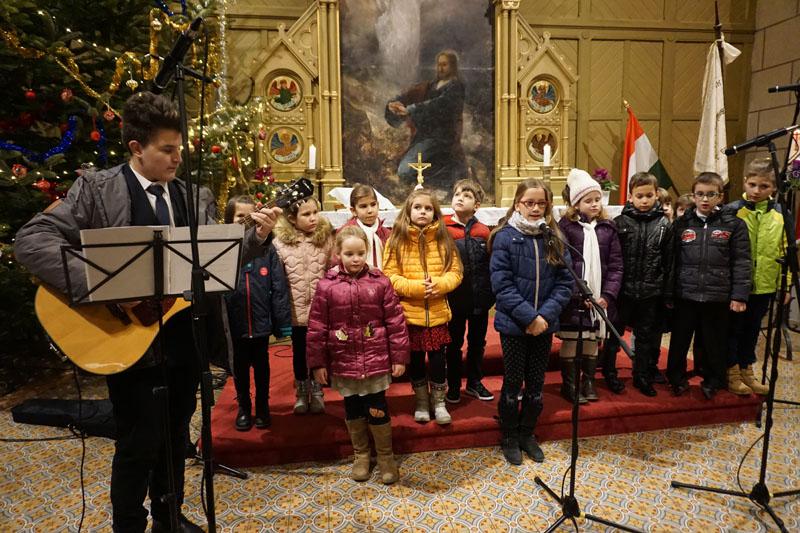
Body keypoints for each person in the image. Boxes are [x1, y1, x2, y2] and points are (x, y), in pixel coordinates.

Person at [14, 91, 281, 533]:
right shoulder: (97, 189)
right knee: (138, 442)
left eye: (180, 148)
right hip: (126, 341)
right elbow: (32, 241)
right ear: (137, 147)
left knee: (176, 436)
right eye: (167, 150)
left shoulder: (194, 196)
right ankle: (129, 525)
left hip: (184, 336)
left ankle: (168, 517)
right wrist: (107, 288)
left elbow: (214, 263)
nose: (178, 159)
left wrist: (255, 239)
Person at [306, 226, 410, 484]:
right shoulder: (327, 286)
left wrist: (399, 357)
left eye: (360, 253)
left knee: (377, 406)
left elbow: (395, 321)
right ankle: (361, 455)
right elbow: (317, 326)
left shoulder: (380, 281)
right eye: (349, 254)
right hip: (345, 360)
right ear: (338, 254)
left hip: (375, 359)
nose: (355, 259)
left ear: (367, 252)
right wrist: (318, 363)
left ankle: (385, 456)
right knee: (352, 408)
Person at [489, 179, 573, 465]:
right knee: (513, 381)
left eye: (541, 203)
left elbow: (565, 283)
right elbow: (502, 285)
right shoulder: (505, 237)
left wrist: (544, 317)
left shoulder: (554, 236)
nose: (535, 208)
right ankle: (509, 436)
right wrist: (530, 317)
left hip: (544, 324)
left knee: (536, 383)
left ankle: (527, 433)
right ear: (517, 204)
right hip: (514, 324)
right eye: (529, 203)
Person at [666, 172, 751, 399]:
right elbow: (672, 260)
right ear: (693, 196)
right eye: (700, 194)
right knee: (679, 341)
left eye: (711, 194)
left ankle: (713, 380)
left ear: (720, 197)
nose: (705, 199)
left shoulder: (734, 225)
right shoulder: (682, 224)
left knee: (714, 342)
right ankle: (676, 378)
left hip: (717, 294)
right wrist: (669, 293)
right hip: (686, 293)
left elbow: (742, 261)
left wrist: (739, 295)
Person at [382, 188, 463, 425]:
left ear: (435, 213)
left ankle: (439, 402)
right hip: (410, 313)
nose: (423, 212)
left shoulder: (443, 238)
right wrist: (416, 288)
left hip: (437, 312)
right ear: (408, 211)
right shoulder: (397, 239)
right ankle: (421, 402)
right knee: (416, 360)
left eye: (428, 208)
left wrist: (440, 285)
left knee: (438, 360)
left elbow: (456, 271)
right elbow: (389, 275)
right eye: (418, 207)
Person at [224, 196, 292, 431]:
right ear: (229, 220)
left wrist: (281, 322)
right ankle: (244, 407)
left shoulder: (267, 249)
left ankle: (262, 406)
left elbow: (279, 286)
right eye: (239, 217)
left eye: (250, 217)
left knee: (262, 368)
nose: (246, 222)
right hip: (236, 322)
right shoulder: (224, 249)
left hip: (261, 322)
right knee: (240, 369)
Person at [601, 173, 673, 396]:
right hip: (623, 291)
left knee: (645, 337)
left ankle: (641, 375)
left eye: (649, 195)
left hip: (650, 291)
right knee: (614, 334)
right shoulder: (620, 223)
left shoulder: (664, 225)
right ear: (630, 196)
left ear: (657, 195)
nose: (644, 200)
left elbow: (669, 261)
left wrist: (666, 291)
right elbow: (613, 259)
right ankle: (609, 373)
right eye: (639, 196)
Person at [556, 169, 623, 403]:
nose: (595, 204)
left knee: (592, 340)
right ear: (576, 203)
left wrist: (607, 295)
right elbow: (564, 265)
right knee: (572, 339)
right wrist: (578, 294)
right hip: (575, 298)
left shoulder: (608, 228)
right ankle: (570, 385)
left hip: (600, 297)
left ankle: (589, 382)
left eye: (597, 199)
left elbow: (616, 266)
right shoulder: (566, 227)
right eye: (588, 200)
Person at [725, 158, 789, 396]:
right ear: (745, 181)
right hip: (735, 285)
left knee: (752, 330)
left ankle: (746, 370)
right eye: (752, 184)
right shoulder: (732, 211)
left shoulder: (781, 214)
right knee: (733, 329)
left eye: (764, 186)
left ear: (774, 187)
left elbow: (785, 251)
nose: (756, 191)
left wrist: (785, 285)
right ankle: (731, 371)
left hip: (765, 284)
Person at [273, 197, 334, 415]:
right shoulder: (280, 243)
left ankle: (317, 389)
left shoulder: (326, 240)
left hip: (320, 309)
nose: (313, 218)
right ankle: (301, 390)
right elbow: (278, 280)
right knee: (299, 352)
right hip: (296, 309)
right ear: (292, 218)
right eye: (306, 214)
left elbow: (332, 270)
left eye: (315, 212)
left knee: (319, 351)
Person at [443, 179, 495, 403]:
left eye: (467, 196)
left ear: (477, 205)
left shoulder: (483, 231)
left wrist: (490, 293)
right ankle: (453, 385)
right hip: (454, 298)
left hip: (479, 299)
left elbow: (490, 263)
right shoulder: (442, 229)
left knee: (477, 342)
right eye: (457, 194)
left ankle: (474, 382)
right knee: (453, 343)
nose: (460, 198)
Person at [385, 50, 467, 190]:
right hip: (424, 136)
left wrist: (410, 109)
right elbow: (412, 94)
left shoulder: (456, 87)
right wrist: (396, 103)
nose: (440, 68)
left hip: (441, 138)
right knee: (400, 166)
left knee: (404, 171)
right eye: (439, 65)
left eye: (444, 65)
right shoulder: (432, 85)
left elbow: (438, 104)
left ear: (452, 66)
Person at [337, 183, 391, 269]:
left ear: (378, 205)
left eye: (373, 204)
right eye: (363, 206)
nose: (370, 210)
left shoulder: (386, 233)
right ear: (353, 211)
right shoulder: (346, 234)